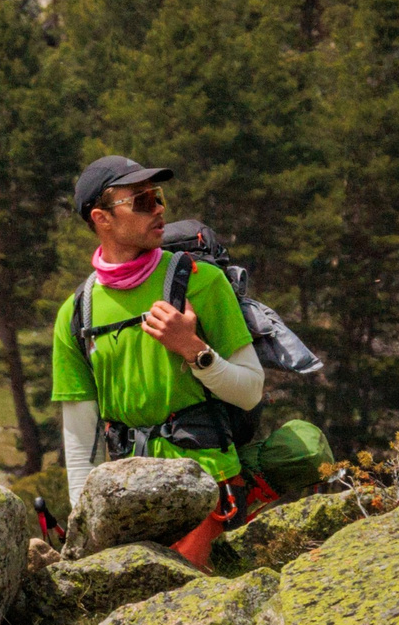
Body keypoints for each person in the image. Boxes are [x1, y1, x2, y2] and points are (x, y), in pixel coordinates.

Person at [50, 155, 265, 565]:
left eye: (158, 196)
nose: (160, 208)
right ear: (102, 218)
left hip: (209, 486)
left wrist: (194, 351)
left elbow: (251, 391)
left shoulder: (203, 281)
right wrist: (84, 526)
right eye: (142, 201)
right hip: (132, 502)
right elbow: (81, 438)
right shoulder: (76, 313)